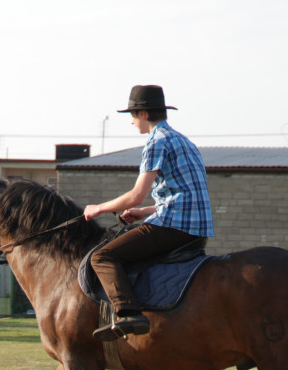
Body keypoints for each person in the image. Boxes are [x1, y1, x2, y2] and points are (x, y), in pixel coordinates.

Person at [83, 85, 214, 341]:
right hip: (196, 228)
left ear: (143, 114)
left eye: (132, 115)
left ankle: (128, 314)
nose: (132, 122)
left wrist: (99, 208)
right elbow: (186, 195)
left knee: (101, 257)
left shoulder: (157, 142)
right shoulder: (183, 140)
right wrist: (144, 212)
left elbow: (135, 194)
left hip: (174, 227)